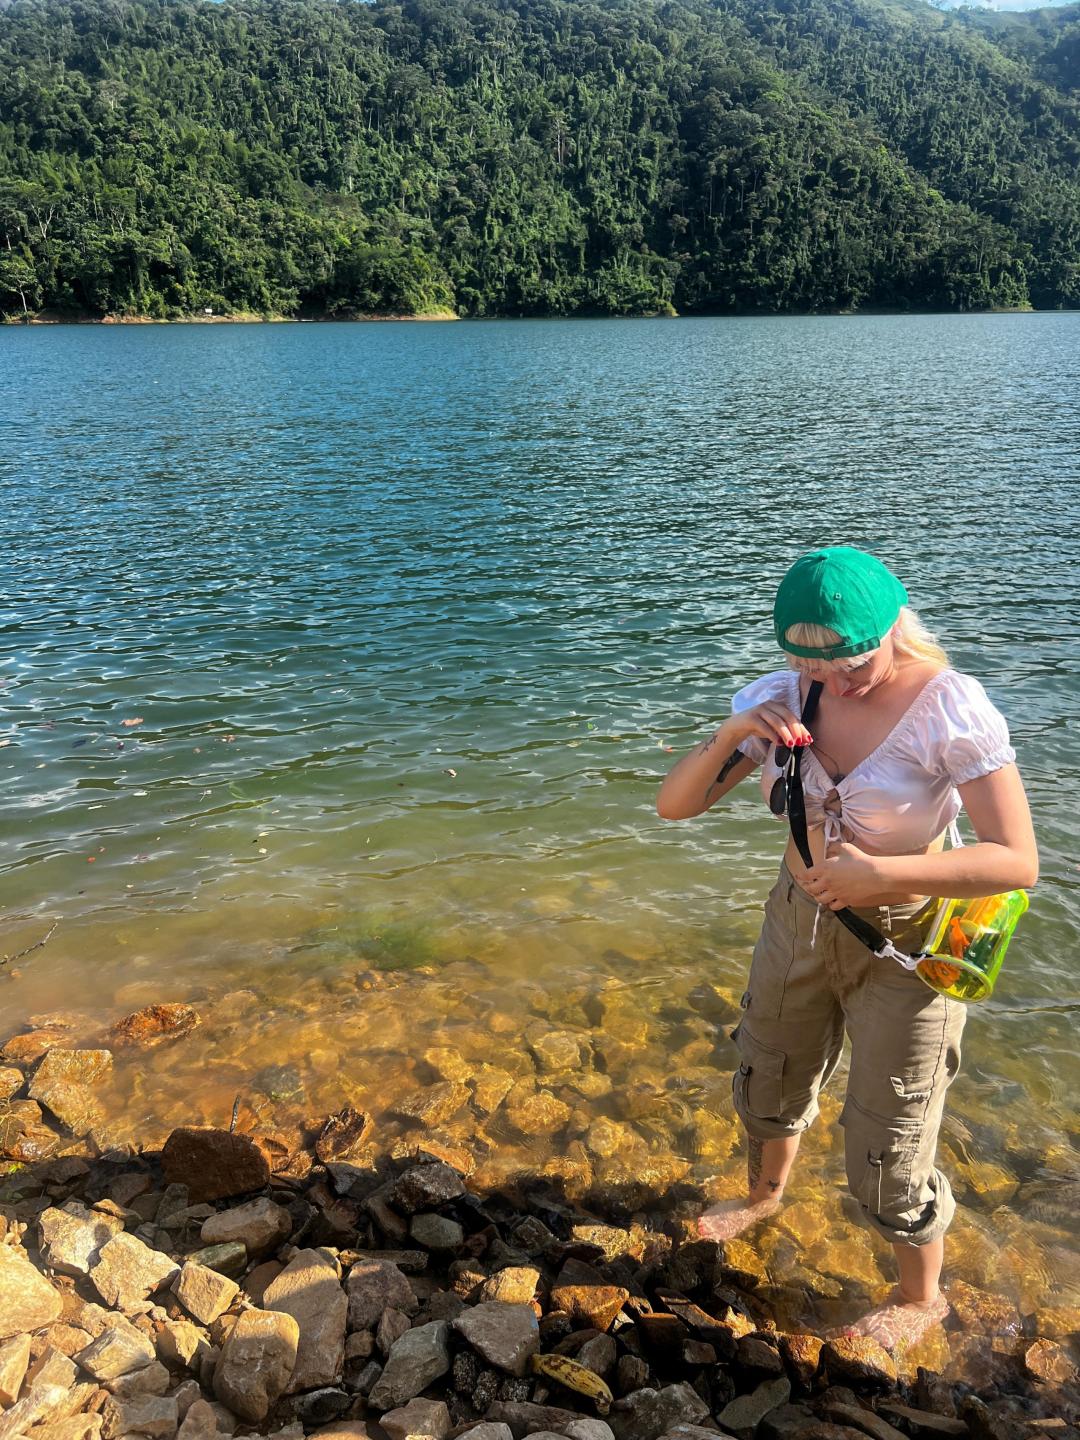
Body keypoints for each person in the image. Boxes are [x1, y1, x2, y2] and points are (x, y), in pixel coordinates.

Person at [655, 547, 1038, 1350]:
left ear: (894, 625)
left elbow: (1016, 861)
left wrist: (881, 875)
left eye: (852, 663)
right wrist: (734, 732)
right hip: (796, 921)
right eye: (809, 665)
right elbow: (676, 806)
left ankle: (920, 1298)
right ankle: (764, 1196)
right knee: (768, 1073)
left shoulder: (948, 707)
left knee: (890, 1135)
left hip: (908, 942)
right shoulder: (779, 698)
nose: (834, 682)